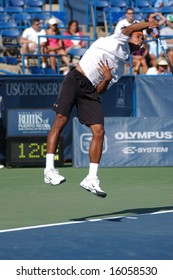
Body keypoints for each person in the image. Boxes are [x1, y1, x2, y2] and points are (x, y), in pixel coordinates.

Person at [44, 20, 159, 198]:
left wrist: (106, 78)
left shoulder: (121, 67)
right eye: (139, 36)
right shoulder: (117, 39)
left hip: (90, 91)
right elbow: (129, 29)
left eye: (143, 39)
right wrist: (147, 24)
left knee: (99, 131)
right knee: (61, 119)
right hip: (76, 78)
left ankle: (91, 178)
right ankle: (49, 169)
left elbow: (100, 91)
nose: (141, 40)